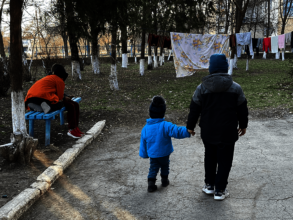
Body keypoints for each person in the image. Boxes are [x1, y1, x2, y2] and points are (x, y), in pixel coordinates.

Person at [186, 54, 248, 201]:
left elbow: (194, 108)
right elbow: (242, 109)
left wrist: (190, 126)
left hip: (208, 131)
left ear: (210, 68)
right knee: (225, 160)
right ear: (226, 68)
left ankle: (209, 185)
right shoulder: (235, 88)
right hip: (228, 131)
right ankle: (220, 190)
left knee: (210, 157)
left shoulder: (201, 88)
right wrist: (243, 125)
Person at [139, 96, 193, 193]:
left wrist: (144, 154)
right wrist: (187, 131)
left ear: (150, 112)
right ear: (163, 113)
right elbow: (177, 131)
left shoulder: (145, 128)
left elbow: (143, 142)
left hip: (153, 154)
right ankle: (164, 180)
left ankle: (151, 184)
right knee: (165, 165)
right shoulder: (165, 125)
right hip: (165, 153)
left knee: (153, 167)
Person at [24, 63, 84, 139]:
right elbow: (60, 97)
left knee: (74, 104)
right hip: (43, 98)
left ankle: (40, 107)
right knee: (65, 105)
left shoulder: (47, 78)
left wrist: (66, 97)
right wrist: (65, 98)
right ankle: (72, 130)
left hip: (30, 98)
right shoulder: (59, 80)